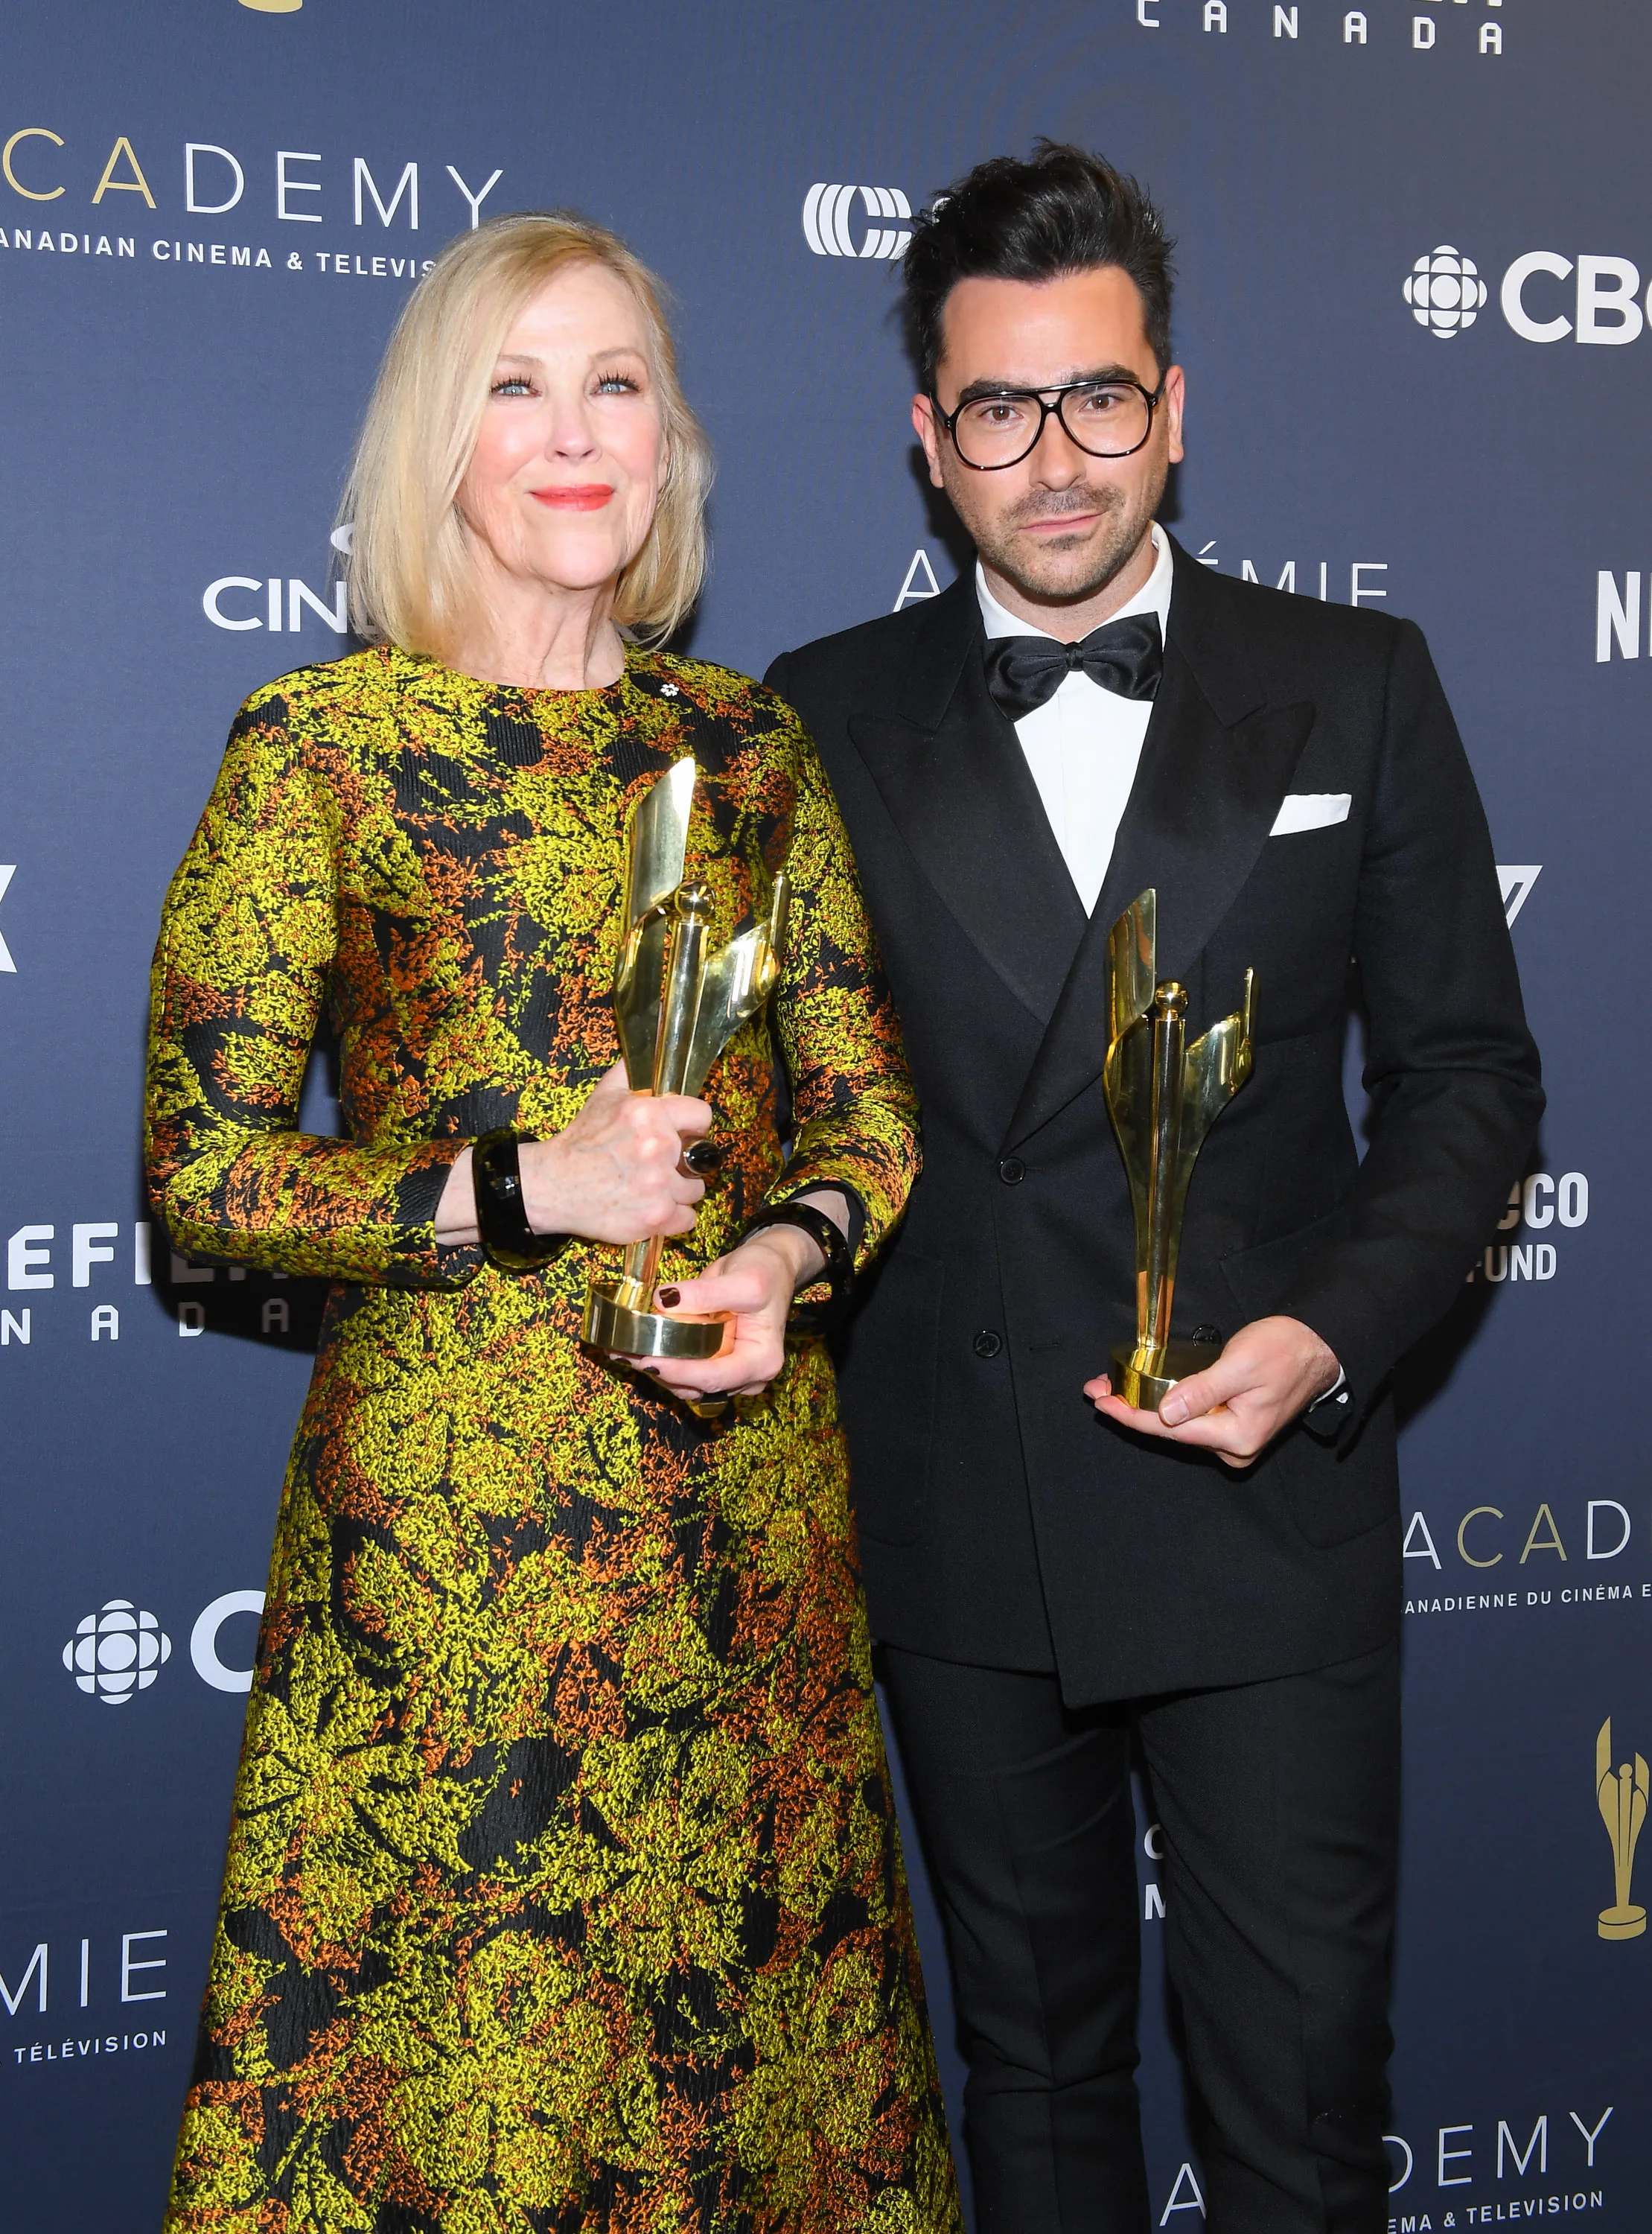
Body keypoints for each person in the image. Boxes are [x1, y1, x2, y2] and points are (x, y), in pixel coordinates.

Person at [146, 211, 959, 2233]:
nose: (575, 432)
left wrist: (777, 1263)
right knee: (469, 2123)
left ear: (673, 441)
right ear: (443, 445)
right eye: (517, 384)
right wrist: (532, 1183)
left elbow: (866, 1126)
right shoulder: (322, 751)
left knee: (758, 2093)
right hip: (459, 1572)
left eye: (617, 383)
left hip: (740, 1539)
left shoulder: (756, 753)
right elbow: (207, 1176)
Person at [765, 145, 1543, 2233]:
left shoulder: (1357, 686)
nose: (1058, 460)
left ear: (1175, 407)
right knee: (1032, 2089)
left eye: (1099, 398)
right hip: (962, 1508)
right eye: (1001, 411)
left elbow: (1470, 1079)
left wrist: (1325, 1338)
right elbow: (787, 1117)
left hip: (1261, 1509)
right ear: (931, 441)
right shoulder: (813, 723)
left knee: (1297, 2102)